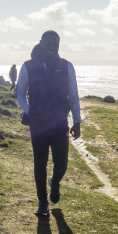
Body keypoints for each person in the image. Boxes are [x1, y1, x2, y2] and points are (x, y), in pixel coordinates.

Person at [16, 30, 81, 217]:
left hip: (60, 123)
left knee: (62, 163)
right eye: (49, 43)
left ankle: (55, 181)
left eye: (56, 44)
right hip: (38, 124)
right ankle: (42, 201)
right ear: (41, 43)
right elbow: (20, 93)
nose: (52, 47)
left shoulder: (67, 66)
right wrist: (30, 110)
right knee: (40, 163)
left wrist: (77, 121)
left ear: (59, 46)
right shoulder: (28, 66)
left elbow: (73, 95)